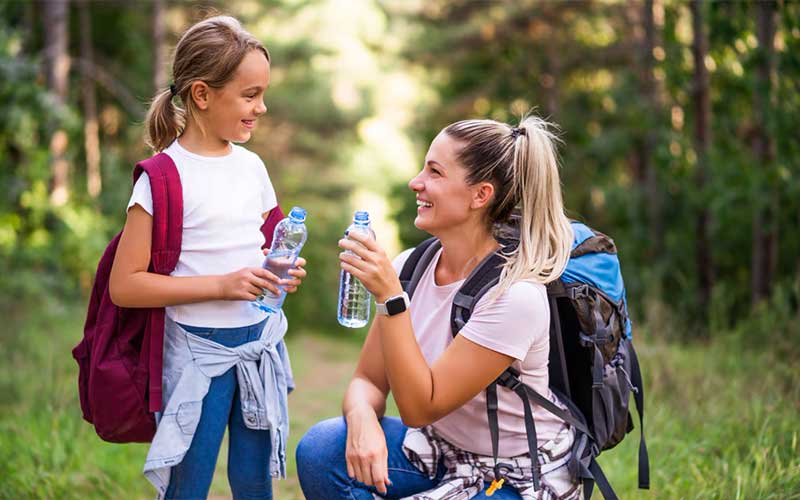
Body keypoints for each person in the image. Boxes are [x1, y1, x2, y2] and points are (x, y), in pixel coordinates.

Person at [296, 115, 581, 500]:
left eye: (434, 172)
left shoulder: (514, 297)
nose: (416, 182)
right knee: (321, 450)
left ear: (481, 195)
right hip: (440, 452)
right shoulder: (411, 267)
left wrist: (391, 300)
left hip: (514, 475)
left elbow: (419, 408)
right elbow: (367, 380)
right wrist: (362, 421)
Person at [108, 15, 305, 500]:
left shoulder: (252, 167)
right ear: (202, 94)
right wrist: (221, 284)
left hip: (259, 347)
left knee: (254, 481)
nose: (262, 106)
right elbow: (126, 285)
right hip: (197, 355)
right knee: (189, 483)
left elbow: (270, 246)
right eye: (250, 94)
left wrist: (283, 270)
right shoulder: (160, 179)